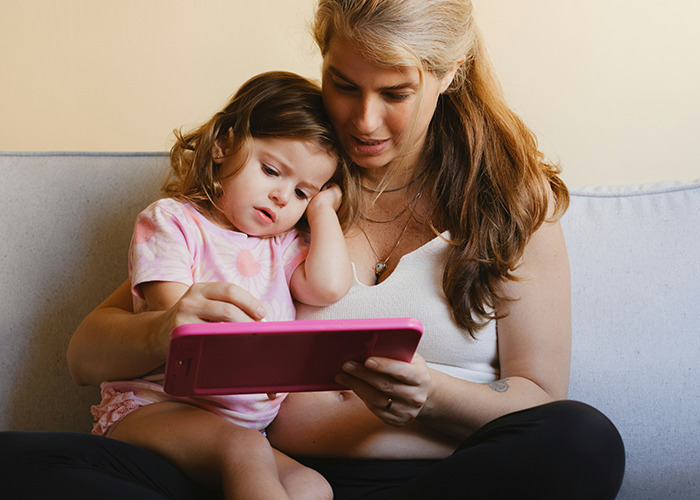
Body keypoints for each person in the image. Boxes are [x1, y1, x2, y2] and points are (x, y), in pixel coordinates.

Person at [0, 1, 625, 499]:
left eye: (396, 93)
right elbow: (86, 354)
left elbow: (540, 400)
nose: (364, 121)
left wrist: (427, 392)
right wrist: (165, 328)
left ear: (447, 74)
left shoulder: (512, 203)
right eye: (343, 84)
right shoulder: (285, 182)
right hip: (258, 473)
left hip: (441, 482)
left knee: (584, 439)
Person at [91, 70, 352, 500]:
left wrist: (323, 209)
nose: (283, 197)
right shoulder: (174, 222)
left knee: (312, 486)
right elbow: (176, 320)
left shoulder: (281, 246)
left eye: (302, 191)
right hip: (156, 409)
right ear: (223, 144)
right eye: (271, 170)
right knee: (245, 450)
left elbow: (327, 287)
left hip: (239, 429)